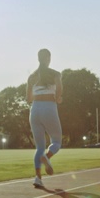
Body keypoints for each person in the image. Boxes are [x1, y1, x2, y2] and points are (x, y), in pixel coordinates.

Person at [27, 48, 63, 188]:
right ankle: (46, 158)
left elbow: (28, 98)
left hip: (34, 109)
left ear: (38, 59)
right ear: (48, 58)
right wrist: (58, 97)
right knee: (56, 142)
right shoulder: (56, 74)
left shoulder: (31, 77)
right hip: (49, 107)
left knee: (39, 147)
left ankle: (38, 178)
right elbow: (59, 89)